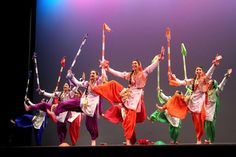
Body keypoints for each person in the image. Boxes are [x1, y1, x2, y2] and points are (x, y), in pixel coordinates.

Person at [91, 49, 165, 145]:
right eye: (132, 63)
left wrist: (158, 59)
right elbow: (119, 74)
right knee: (113, 84)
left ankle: (128, 140)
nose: (133, 65)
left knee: (130, 118)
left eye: (135, 63)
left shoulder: (143, 73)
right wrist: (108, 68)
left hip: (136, 97)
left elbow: (151, 68)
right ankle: (96, 89)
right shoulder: (130, 75)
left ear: (139, 65)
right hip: (128, 93)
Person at [166, 54, 222, 144]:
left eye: (200, 69)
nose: (198, 71)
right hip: (192, 102)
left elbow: (209, 73)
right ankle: (198, 138)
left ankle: (200, 138)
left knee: (201, 122)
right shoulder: (192, 80)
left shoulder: (204, 79)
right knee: (195, 122)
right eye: (197, 69)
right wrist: (174, 77)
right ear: (195, 71)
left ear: (202, 71)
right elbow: (181, 82)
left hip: (201, 103)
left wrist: (214, 65)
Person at [49, 69, 107, 146]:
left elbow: (103, 76)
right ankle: (56, 111)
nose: (91, 74)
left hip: (92, 106)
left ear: (97, 76)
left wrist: (103, 67)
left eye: (93, 73)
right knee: (68, 103)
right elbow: (77, 83)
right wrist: (71, 76)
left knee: (90, 125)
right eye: (90, 73)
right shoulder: (87, 83)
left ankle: (93, 140)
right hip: (84, 103)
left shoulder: (98, 83)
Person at [204, 68, 232, 144]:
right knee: (206, 126)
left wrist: (226, 77)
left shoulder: (216, 91)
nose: (208, 83)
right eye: (208, 82)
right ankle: (208, 139)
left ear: (213, 84)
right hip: (206, 109)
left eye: (209, 82)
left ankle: (211, 140)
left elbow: (222, 84)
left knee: (211, 125)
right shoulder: (205, 92)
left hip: (212, 110)